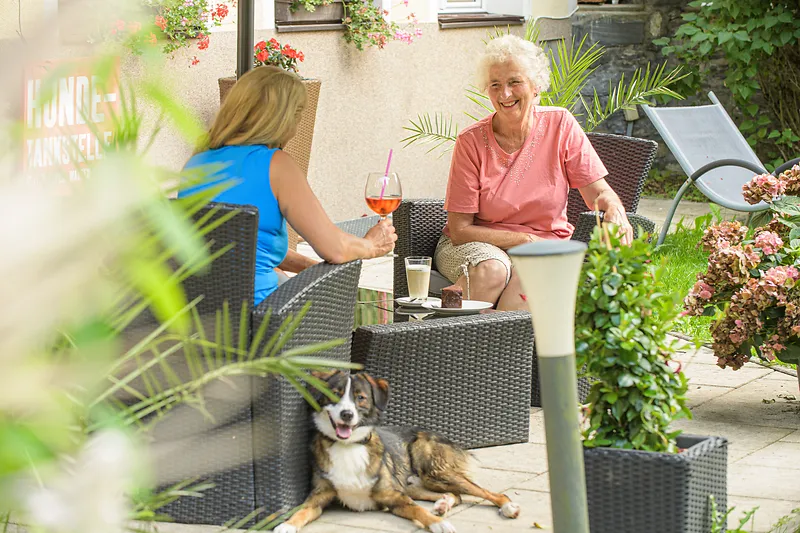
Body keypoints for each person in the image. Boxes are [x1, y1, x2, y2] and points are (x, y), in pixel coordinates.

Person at [435, 34, 633, 312]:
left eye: (514, 82)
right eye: (495, 85)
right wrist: (524, 239)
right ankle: (457, 340)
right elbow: (459, 230)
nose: (505, 94)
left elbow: (598, 192)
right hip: (475, 245)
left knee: (530, 277)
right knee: (493, 270)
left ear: (536, 85)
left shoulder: (560, 124)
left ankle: (476, 343)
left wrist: (615, 210)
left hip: (544, 247)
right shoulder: (471, 142)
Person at [180, 66, 396, 305]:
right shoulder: (276, 164)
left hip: (200, 314)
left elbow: (240, 247)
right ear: (285, 117)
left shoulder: (197, 162)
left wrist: (309, 268)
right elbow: (335, 248)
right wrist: (372, 245)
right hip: (260, 318)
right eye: (299, 113)